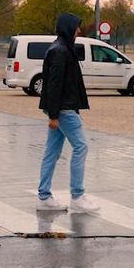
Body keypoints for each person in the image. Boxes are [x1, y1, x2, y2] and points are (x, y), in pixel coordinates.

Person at [36, 12, 98, 213]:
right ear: (68, 28)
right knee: (81, 147)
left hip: (61, 109)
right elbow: (54, 85)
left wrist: (54, 114)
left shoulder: (60, 49)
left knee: (51, 152)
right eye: (76, 27)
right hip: (64, 109)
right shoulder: (61, 51)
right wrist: (54, 114)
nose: (79, 31)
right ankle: (77, 196)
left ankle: (44, 196)